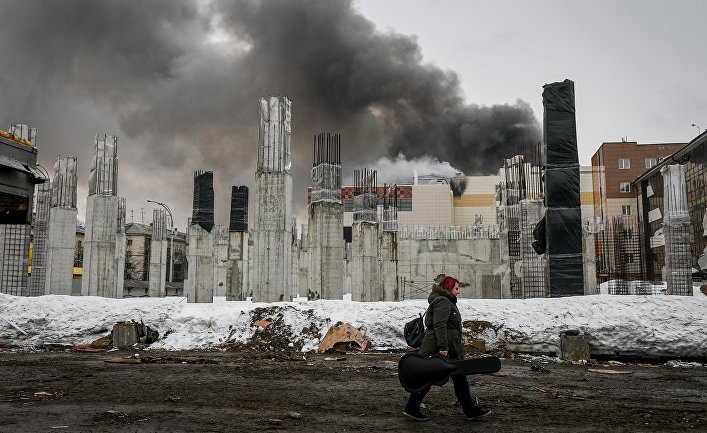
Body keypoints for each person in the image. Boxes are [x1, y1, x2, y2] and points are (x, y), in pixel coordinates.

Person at [403, 276, 491, 421]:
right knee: (429, 377)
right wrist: (443, 347)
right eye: (456, 288)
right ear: (449, 288)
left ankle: (469, 409)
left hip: (449, 348)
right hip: (440, 348)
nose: (458, 292)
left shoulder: (446, 301)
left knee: (457, 377)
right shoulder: (443, 301)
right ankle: (412, 407)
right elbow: (439, 325)